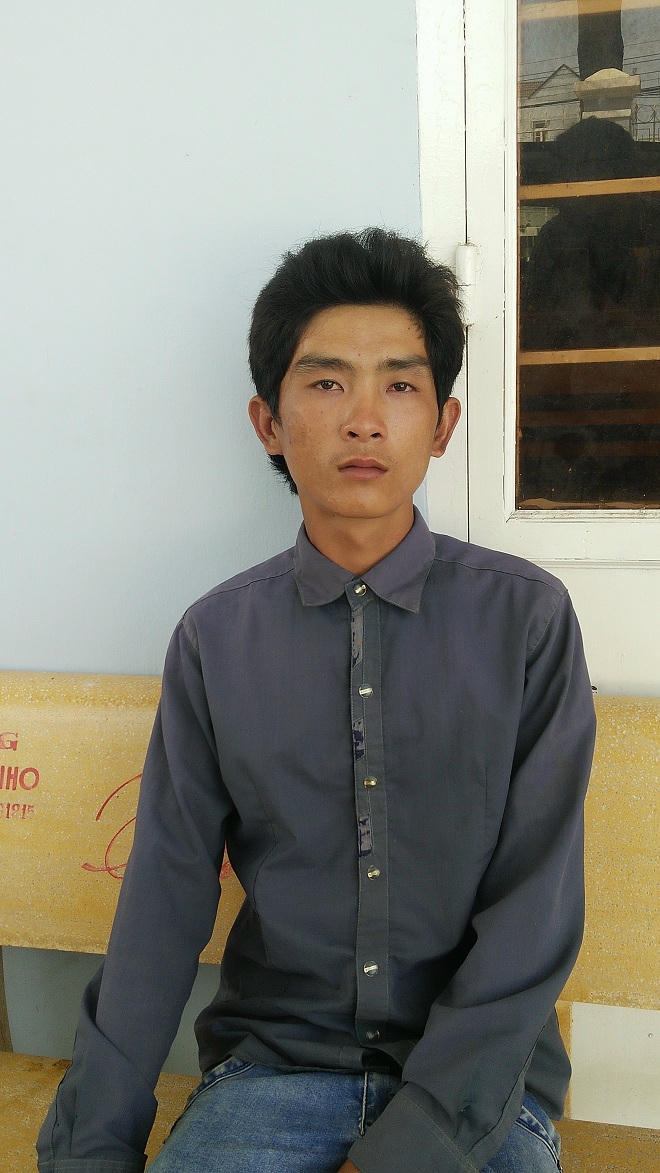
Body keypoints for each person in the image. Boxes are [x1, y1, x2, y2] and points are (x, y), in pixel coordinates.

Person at [37, 228, 596, 1172]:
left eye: (401, 386)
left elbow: (534, 913)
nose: (364, 420)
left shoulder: (527, 622)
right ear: (269, 422)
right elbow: (164, 899)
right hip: (271, 1077)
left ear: (444, 424)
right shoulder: (215, 639)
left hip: (477, 1095)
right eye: (328, 382)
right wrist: (93, 1145)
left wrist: (410, 1150)